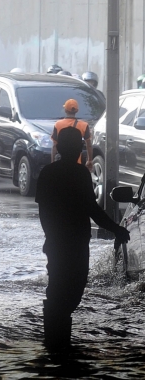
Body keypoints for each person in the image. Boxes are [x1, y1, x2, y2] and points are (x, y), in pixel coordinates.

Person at [36, 126, 130, 350]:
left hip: (57, 242)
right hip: (77, 242)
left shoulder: (47, 173)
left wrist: (51, 236)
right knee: (73, 290)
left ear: (57, 147)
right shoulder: (80, 174)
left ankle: (54, 346)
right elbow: (92, 209)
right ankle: (58, 345)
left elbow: (43, 212)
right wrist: (116, 228)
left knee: (58, 289)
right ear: (79, 148)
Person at [51, 99, 93, 171]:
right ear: (77, 111)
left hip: (61, 162)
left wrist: (52, 162)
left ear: (65, 110)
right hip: (76, 163)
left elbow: (54, 145)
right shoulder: (84, 125)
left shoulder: (58, 124)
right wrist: (89, 160)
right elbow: (88, 145)